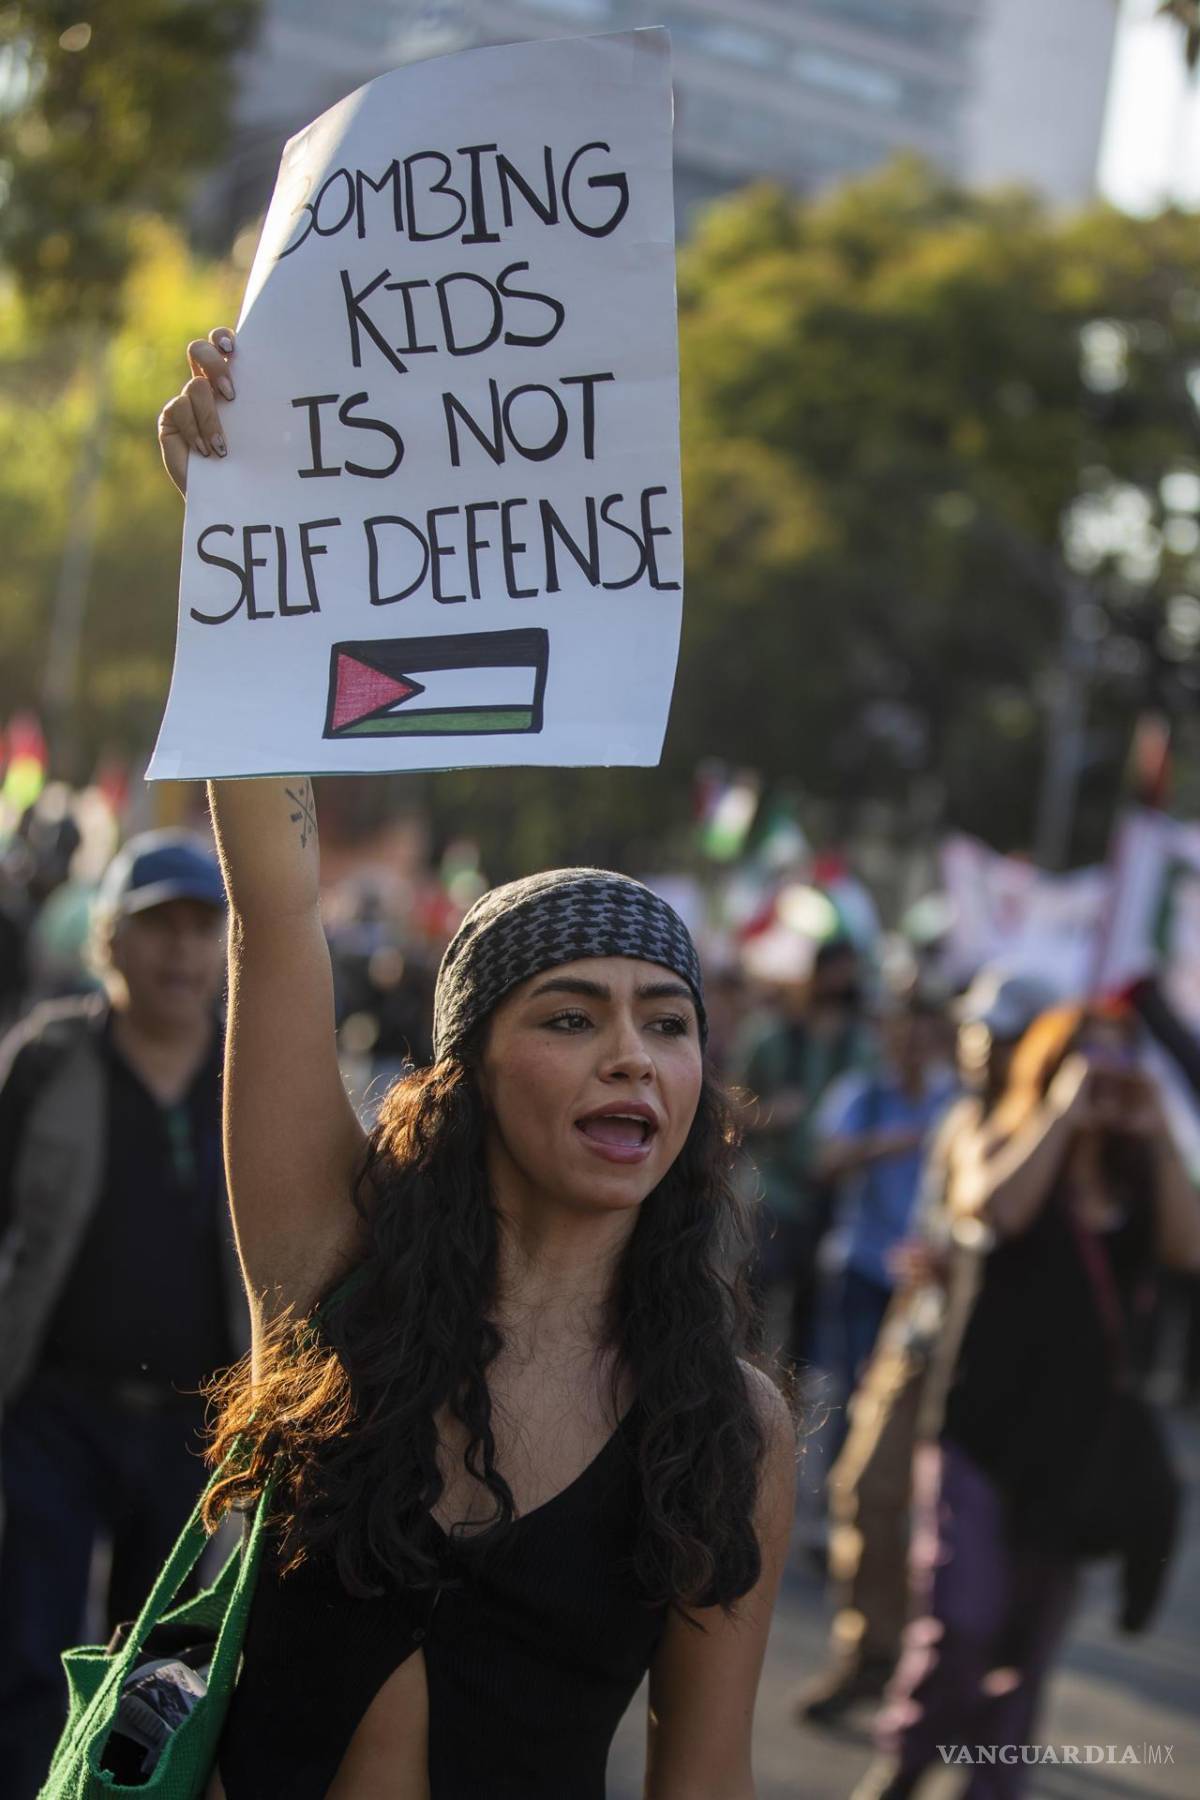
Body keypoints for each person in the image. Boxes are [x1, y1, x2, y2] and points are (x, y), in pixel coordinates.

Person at [157, 329, 796, 1799]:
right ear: (463, 1074)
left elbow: (703, 1773)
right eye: (569, 1017)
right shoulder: (334, 1278)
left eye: (666, 1021)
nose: (629, 1057)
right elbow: (277, 911)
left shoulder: (726, 1427)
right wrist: (231, 528)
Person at [857, 1004, 1200, 1799]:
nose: (1105, 1084)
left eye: (1118, 1067)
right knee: (961, 1625)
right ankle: (905, 1761)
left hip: (1078, 1451)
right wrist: (1061, 1112)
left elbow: (1189, 1249)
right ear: (1050, 1071)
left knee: (1026, 1650)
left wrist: (1155, 1130)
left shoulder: (1140, 1174)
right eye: (1087, 1065)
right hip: (980, 1431)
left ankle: (989, 1788)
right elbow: (998, 1208)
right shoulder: (998, 1137)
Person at [0, 830, 246, 1799]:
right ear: (111, 940)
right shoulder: (52, 1059)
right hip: (53, 1409)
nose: (181, 952)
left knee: (163, 1680)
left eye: (201, 928)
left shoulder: (251, 1075)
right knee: (29, 1653)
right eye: (157, 929)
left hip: (197, 1426)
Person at [795, 971, 1051, 1725]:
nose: (978, 1045)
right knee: (864, 1490)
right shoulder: (955, 1117)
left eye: (997, 1034)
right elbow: (931, 1233)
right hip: (916, 1338)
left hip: (994, 1366)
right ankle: (871, 1656)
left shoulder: (1048, 1132)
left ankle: (950, 1695)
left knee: (964, 1541)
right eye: (974, 1029)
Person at [815, 990, 956, 1405]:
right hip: (862, 1263)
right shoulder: (862, 1095)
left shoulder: (950, 1103)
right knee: (855, 1392)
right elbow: (824, 1163)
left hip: (919, 1274)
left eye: (922, 1038)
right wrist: (882, 1145)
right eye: (903, 1037)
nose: (912, 1048)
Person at [738, 937, 870, 1368]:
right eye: (833, 972)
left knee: (808, 1322)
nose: (840, 983)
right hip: (772, 1191)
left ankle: (785, 1416)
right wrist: (768, 1115)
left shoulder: (863, 1045)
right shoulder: (770, 1035)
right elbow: (727, 1103)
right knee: (753, 1307)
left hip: (829, 1198)